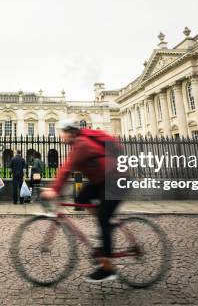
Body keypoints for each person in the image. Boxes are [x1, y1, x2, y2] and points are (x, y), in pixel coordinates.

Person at [41, 119, 123, 283]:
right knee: (81, 197)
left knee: (103, 220)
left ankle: (107, 268)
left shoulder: (81, 144)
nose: (60, 136)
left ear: (70, 132)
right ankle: (106, 222)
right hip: (102, 179)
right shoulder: (78, 143)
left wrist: (54, 189)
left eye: (62, 132)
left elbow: (67, 168)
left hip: (116, 180)